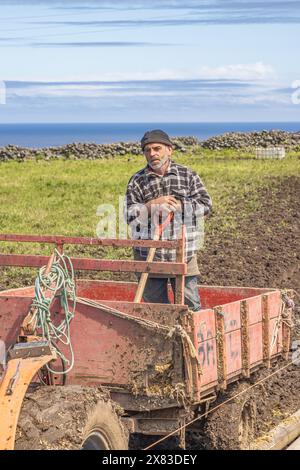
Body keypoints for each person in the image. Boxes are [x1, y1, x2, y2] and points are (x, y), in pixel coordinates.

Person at [125, 129, 212, 312]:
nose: (152, 154)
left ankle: (191, 340)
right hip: (149, 256)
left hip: (183, 255)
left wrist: (181, 205)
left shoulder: (187, 175)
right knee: (156, 309)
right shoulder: (137, 181)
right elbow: (130, 216)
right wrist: (151, 206)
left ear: (170, 150)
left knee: (190, 306)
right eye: (147, 150)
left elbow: (206, 205)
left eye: (157, 148)